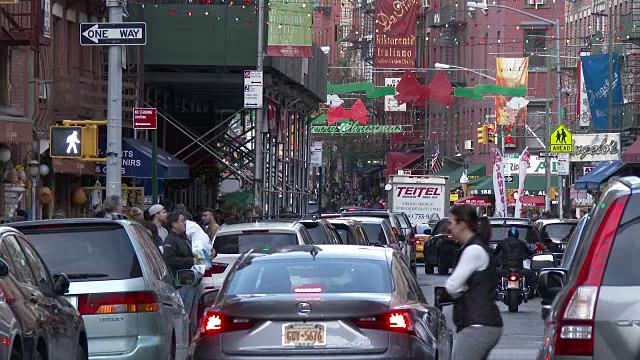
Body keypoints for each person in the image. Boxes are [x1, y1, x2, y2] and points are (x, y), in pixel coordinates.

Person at [444, 205, 502, 360]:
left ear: (462, 225)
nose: (448, 227)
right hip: (481, 322)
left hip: (478, 324)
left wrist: (460, 288)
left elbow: (452, 285)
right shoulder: (474, 247)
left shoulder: (473, 250)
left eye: (451, 223)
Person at [162, 212, 199, 335]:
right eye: (182, 221)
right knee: (183, 313)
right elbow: (169, 259)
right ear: (174, 224)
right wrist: (190, 260)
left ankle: (189, 334)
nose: (184, 224)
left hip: (190, 280)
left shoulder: (183, 238)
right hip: (181, 281)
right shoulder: (171, 240)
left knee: (190, 313)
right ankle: (182, 336)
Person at [494, 227, 536, 294]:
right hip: (519, 268)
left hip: (505, 268)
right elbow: (529, 252)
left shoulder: (502, 242)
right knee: (532, 274)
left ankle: (494, 290)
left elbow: (495, 252)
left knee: (494, 273)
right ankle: (531, 292)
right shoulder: (522, 243)